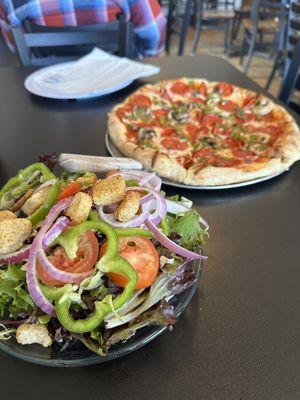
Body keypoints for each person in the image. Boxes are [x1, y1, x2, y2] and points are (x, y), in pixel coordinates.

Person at [0, 0, 166, 57]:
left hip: (48, 90)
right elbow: (154, 34)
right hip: (117, 87)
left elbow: (17, 47)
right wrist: (135, 58)